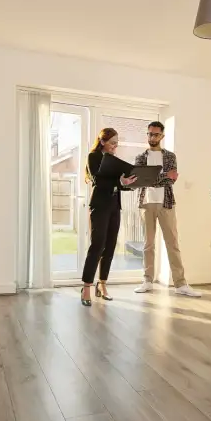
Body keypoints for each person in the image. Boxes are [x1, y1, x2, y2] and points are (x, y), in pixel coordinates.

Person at [133, 121, 201, 297]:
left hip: (166, 203)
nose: (152, 137)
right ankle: (147, 281)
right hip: (146, 204)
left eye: (155, 134)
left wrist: (153, 177)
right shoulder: (140, 157)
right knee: (148, 245)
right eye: (149, 134)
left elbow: (171, 180)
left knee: (172, 244)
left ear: (162, 136)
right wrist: (162, 176)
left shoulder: (170, 157)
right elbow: (141, 180)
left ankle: (180, 284)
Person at [80, 128, 137, 306]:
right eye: (112, 142)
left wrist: (130, 183)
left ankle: (102, 284)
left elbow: (119, 184)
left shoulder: (114, 161)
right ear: (103, 141)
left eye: (117, 143)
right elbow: (98, 180)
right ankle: (87, 287)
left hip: (114, 206)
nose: (115, 146)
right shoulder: (94, 157)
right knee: (97, 246)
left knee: (110, 246)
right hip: (99, 206)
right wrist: (119, 182)